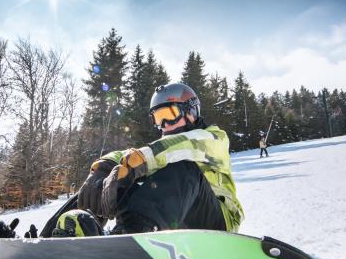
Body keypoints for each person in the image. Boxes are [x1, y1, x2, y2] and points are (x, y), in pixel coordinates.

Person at [58, 83, 244, 236]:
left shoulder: (213, 138)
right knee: (105, 182)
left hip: (219, 223)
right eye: (158, 118)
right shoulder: (161, 149)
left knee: (182, 167)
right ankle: (64, 233)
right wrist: (104, 168)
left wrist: (139, 161)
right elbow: (130, 154)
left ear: (191, 112)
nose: (163, 125)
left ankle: (132, 234)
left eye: (168, 115)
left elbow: (187, 144)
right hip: (175, 220)